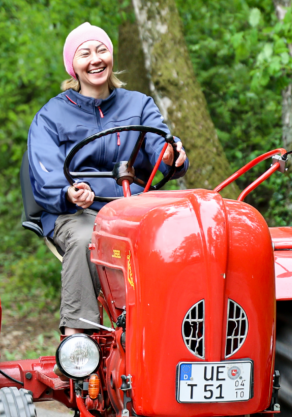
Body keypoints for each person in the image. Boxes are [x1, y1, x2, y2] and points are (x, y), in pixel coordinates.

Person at [26, 22, 189, 335]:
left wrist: (171, 155)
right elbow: (44, 174)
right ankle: (78, 338)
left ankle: (176, 329)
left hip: (134, 208)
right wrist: (69, 193)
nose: (95, 59)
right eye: (84, 53)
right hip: (78, 212)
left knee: (180, 237)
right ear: (72, 66)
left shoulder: (138, 104)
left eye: (101, 50)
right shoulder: (51, 116)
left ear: (111, 56)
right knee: (87, 237)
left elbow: (162, 146)